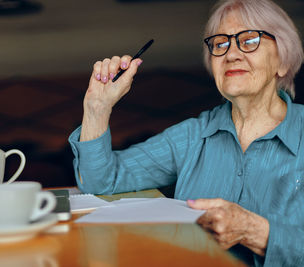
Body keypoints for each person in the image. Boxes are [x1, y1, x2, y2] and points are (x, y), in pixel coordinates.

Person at [68, 0, 304, 266]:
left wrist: (256, 231)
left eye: (249, 41)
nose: (232, 54)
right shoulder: (192, 136)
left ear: (282, 61)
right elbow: (100, 181)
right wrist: (97, 109)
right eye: (220, 44)